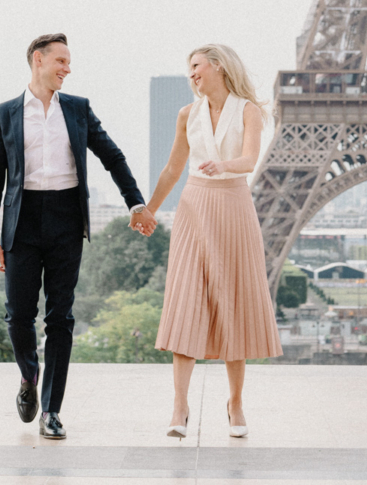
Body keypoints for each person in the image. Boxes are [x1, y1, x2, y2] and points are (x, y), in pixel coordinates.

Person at [0, 32, 155, 440]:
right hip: (20, 222)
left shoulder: (78, 110)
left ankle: (52, 410)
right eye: (61, 61)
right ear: (38, 60)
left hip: (65, 219)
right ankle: (29, 376)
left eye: (69, 62)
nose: (68, 68)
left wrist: (135, 203)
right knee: (19, 314)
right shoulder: (3, 114)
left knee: (61, 317)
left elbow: (112, 156)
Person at [146, 43, 281, 438]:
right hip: (194, 206)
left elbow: (250, 159)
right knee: (186, 300)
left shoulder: (249, 111)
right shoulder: (187, 114)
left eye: (195, 66)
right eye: (189, 68)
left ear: (218, 66)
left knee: (233, 302)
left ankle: (235, 403)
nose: (191, 74)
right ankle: (179, 405)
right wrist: (150, 209)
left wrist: (223, 165)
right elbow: (173, 168)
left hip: (234, 205)